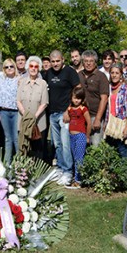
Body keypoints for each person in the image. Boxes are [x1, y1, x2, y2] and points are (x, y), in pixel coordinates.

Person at [45, 50, 81, 185]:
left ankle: (68, 171)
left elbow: (78, 90)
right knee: (57, 144)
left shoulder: (70, 72)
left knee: (66, 144)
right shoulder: (48, 73)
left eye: (57, 61)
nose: (55, 64)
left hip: (65, 114)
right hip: (52, 113)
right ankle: (59, 168)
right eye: (53, 61)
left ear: (63, 60)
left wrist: (69, 110)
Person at [16, 56, 48, 159]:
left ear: (39, 68)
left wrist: (34, 117)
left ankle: (38, 173)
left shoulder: (43, 84)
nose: (33, 68)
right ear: (27, 67)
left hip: (38, 123)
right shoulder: (22, 82)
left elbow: (44, 103)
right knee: (24, 148)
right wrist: (26, 115)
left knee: (38, 151)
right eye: (31, 66)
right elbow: (18, 100)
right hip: (23, 121)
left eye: (36, 66)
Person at [78, 50, 110, 146]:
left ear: (95, 62)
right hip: (81, 115)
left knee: (96, 145)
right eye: (86, 61)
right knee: (82, 144)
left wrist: (98, 118)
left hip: (95, 115)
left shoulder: (101, 76)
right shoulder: (79, 75)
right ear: (82, 62)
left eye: (91, 61)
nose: (88, 63)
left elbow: (104, 99)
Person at [63, 85, 90, 185]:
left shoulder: (83, 109)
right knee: (74, 157)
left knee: (79, 158)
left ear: (82, 99)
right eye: (75, 98)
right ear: (71, 98)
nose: (76, 100)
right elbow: (67, 114)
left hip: (80, 136)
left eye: (79, 98)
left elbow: (89, 123)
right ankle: (76, 177)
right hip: (71, 136)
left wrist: (87, 136)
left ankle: (79, 179)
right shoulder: (70, 108)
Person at [105, 64, 127, 160]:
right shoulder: (108, 88)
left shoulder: (126, 88)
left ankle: (125, 173)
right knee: (111, 151)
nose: (114, 75)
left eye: (117, 73)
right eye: (112, 73)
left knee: (122, 150)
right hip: (111, 123)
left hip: (120, 123)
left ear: (121, 75)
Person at [0, 58, 20, 163]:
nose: (9, 68)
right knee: (8, 138)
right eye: (7, 67)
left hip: (16, 111)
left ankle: (20, 162)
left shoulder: (19, 79)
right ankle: (7, 163)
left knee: (16, 137)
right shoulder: (0, 78)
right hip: (4, 111)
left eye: (11, 66)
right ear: (4, 69)